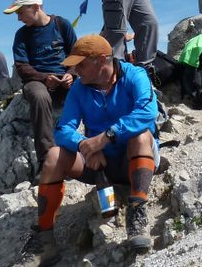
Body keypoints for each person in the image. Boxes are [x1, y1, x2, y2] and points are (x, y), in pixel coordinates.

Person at [22, 34, 159, 265]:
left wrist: (105, 138)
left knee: (142, 135)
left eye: (81, 64)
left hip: (133, 157)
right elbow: (63, 129)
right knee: (55, 155)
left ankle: (137, 215)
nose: (75, 69)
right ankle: (44, 241)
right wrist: (84, 146)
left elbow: (147, 112)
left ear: (102, 59)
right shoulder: (79, 88)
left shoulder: (135, 75)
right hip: (99, 165)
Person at [4, 0, 77, 165]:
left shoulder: (62, 25)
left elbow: (77, 54)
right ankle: (48, 159)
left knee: (86, 90)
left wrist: (71, 74)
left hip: (64, 78)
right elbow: (22, 67)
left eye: (21, 12)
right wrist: (45, 78)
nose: (19, 18)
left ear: (36, 7)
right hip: (37, 82)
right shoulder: (22, 35)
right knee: (39, 96)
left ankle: (90, 146)